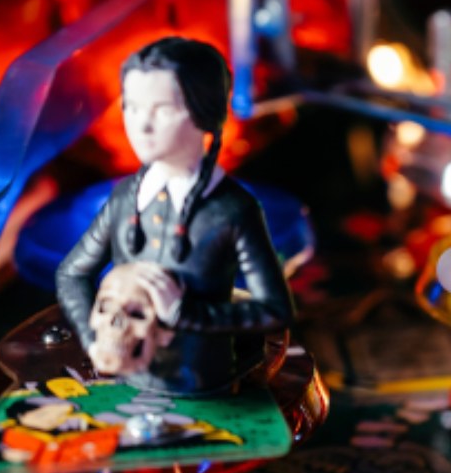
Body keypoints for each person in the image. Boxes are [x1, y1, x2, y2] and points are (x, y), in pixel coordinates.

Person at [57, 37, 293, 396]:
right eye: (131, 107)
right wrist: (96, 339)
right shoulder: (124, 198)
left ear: (204, 113)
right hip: (125, 386)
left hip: (204, 389)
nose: (142, 125)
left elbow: (273, 311)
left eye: (162, 110)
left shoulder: (233, 209)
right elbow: (72, 273)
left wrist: (187, 314)